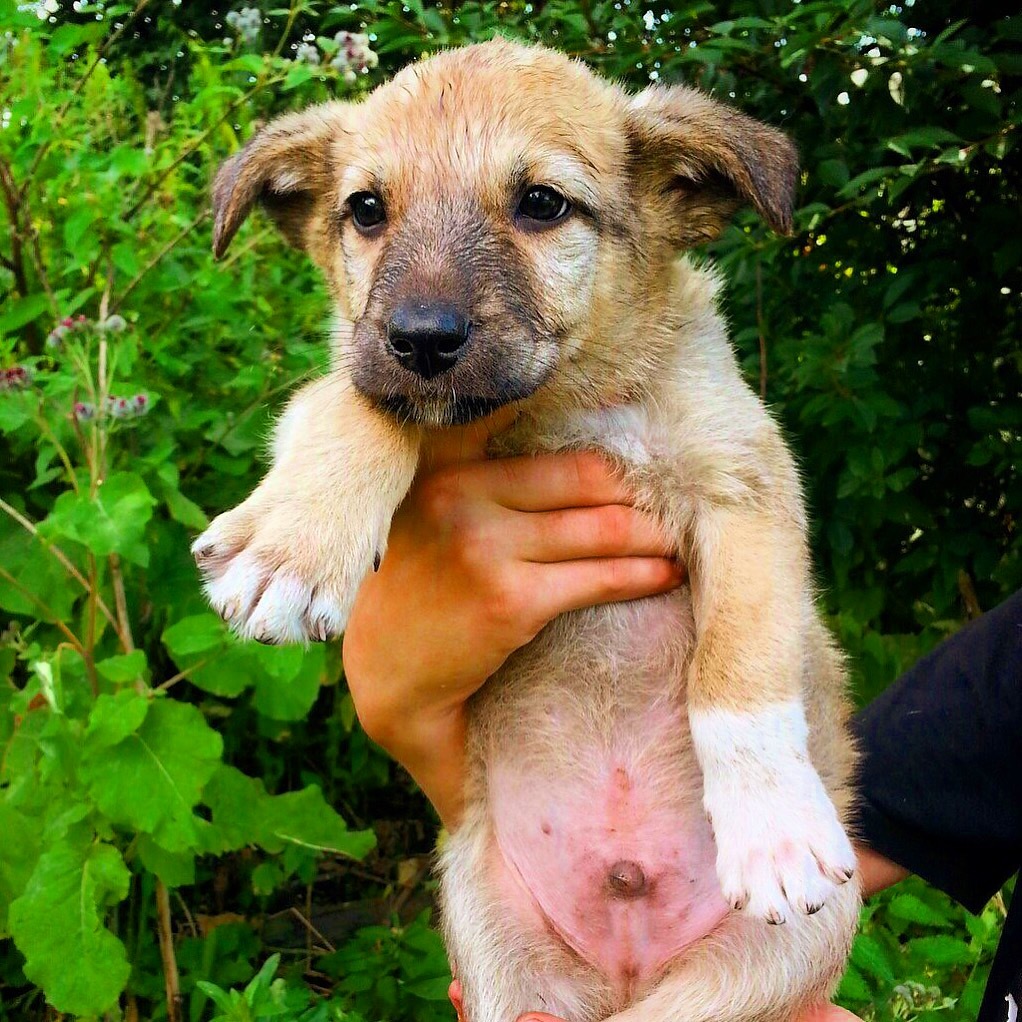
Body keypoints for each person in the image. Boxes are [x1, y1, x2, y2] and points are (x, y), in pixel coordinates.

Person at [342, 411, 1021, 1022]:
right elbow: (836, 809)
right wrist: (405, 708)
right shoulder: (1004, 678)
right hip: (567, 902)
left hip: (713, 958)